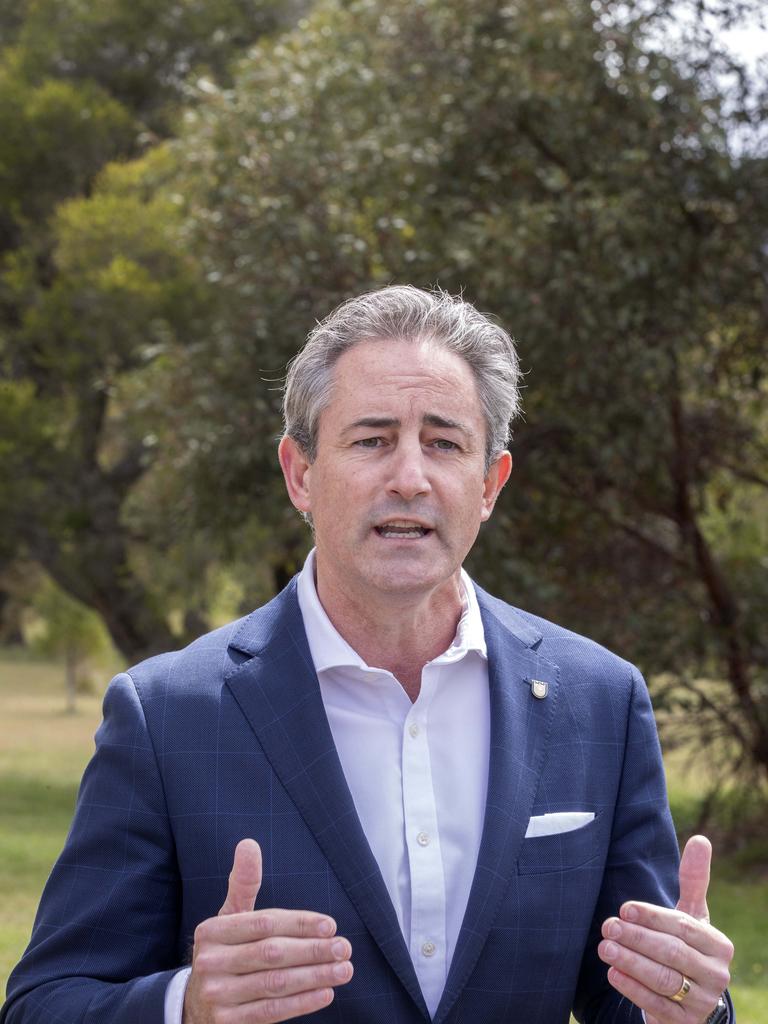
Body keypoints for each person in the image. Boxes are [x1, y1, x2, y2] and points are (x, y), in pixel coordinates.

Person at [2, 286, 734, 1024]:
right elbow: (45, 1004)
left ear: (489, 485)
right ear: (301, 475)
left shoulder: (600, 701)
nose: (410, 477)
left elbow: (639, 994)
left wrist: (687, 1006)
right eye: (372, 439)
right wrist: (183, 1007)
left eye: (444, 443)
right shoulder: (166, 718)